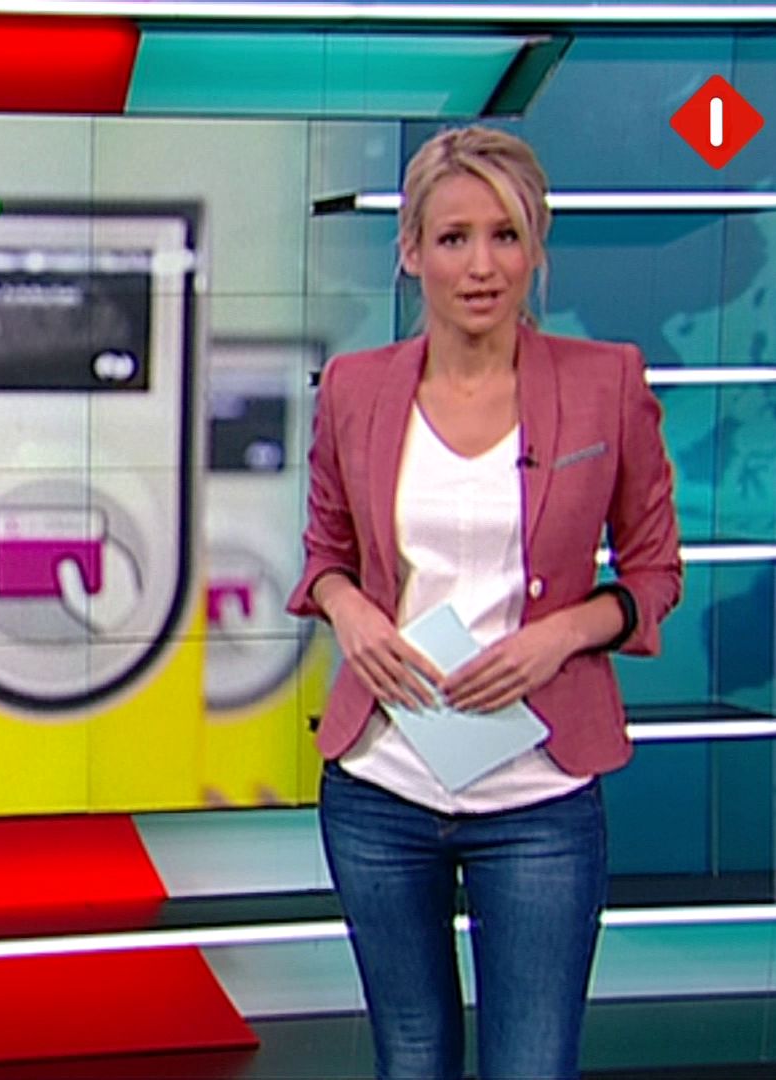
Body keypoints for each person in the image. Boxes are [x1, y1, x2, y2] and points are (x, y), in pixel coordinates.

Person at [285, 126, 682, 1079]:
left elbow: (655, 572)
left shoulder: (605, 381)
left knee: (532, 1065)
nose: (482, 266)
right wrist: (351, 612)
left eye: (506, 235)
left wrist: (563, 635)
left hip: (538, 797)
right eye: (454, 238)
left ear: (537, 246)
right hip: (382, 787)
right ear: (411, 250)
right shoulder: (355, 388)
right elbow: (326, 555)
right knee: (413, 1058)